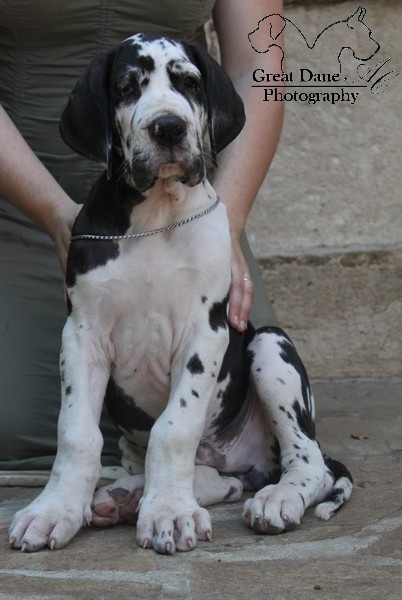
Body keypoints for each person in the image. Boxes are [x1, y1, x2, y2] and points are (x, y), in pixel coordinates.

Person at [0, 0, 284, 481]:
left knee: (244, 403)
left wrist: (225, 222)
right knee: (16, 424)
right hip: (23, 199)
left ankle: (178, 472)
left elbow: (260, 63)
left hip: (185, 210)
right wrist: (56, 216)